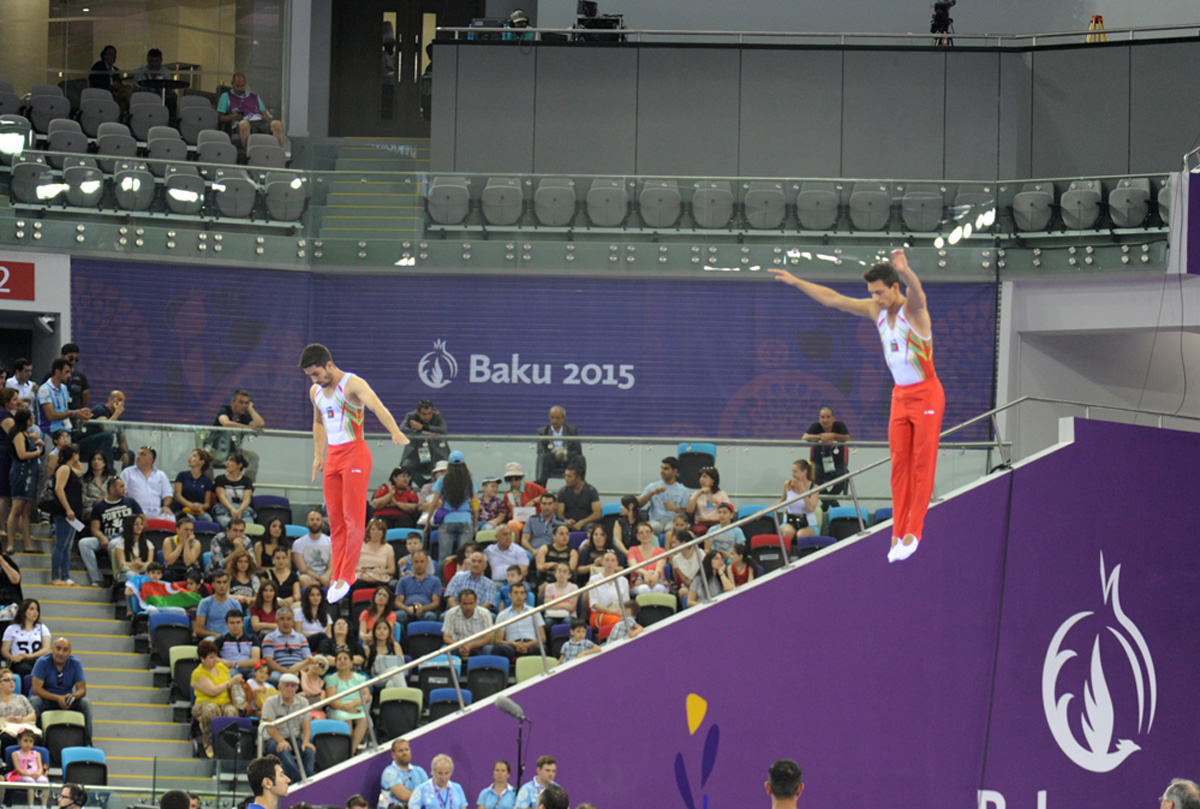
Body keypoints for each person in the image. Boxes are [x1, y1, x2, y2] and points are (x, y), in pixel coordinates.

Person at [771, 250, 942, 561]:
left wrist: (905, 271)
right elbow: (833, 299)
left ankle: (913, 532)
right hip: (901, 396)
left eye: (879, 291)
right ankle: (896, 532)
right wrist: (797, 282)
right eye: (871, 293)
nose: (874, 298)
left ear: (894, 287)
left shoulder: (913, 311)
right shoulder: (875, 311)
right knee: (899, 467)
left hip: (927, 394)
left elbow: (917, 292)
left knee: (921, 464)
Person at [300, 343, 407, 604]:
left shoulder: (352, 384)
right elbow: (318, 421)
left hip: (355, 453)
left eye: (315, 374)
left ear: (328, 365)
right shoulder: (316, 391)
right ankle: (338, 574)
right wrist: (318, 454)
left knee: (353, 517)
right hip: (334, 457)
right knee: (335, 521)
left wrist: (394, 430)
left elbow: (377, 406)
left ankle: (346, 577)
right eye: (309, 376)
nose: (313, 380)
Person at [29, 637, 92, 745]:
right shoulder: (42, 662)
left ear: (69, 652)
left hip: (66, 699)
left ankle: (87, 743)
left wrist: (72, 697)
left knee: (85, 703)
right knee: (35, 701)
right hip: (46, 700)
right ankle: (37, 741)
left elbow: (82, 690)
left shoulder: (75, 663)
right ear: (52, 649)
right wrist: (58, 698)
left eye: (65, 650)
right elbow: (36, 690)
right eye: (58, 649)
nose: (60, 653)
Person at [81, 476, 141, 587]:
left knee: (113, 544)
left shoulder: (130, 502)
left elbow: (143, 521)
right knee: (84, 543)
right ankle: (97, 579)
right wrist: (102, 537)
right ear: (112, 489)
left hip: (124, 536)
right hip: (107, 536)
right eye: (121, 486)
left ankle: (118, 575)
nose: (125, 489)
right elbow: (94, 528)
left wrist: (134, 532)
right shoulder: (99, 506)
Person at [191, 639, 243, 758]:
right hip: (204, 703)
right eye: (211, 658)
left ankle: (230, 744)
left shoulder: (221, 667)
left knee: (231, 711)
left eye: (216, 657)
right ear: (202, 658)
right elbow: (212, 691)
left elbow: (230, 687)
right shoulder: (198, 673)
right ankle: (208, 741)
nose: (215, 660)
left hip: (225, 702)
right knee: (212, 709)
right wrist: (230, 682)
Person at [259, 674, 316, 782]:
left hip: (295, 739)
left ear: (297, 688)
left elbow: (306, 725)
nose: (289, 689)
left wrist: (306, 741)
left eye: (293, 686)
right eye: (286, 685)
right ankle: (299, 780)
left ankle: (309, 779)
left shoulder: (303, 702)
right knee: (283, 749)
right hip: (274, 740)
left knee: (309, 751)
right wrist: (281, 741)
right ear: (279, 686)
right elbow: (270, 726)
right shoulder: (270, 702)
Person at [427, 450, 476, 564]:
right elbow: (475, 502)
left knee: (443, 558)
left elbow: (434, 502)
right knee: (465, 558)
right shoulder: (469, 480)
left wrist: (428, 520)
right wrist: (475, 522)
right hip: (465, 520)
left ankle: (443, 582)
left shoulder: (443, 479)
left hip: (447, 521)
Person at [7, 408, 44, 554]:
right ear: (27, 420)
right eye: (31, 418)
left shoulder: (27, 434)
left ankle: (28, 544)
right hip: (21, 472)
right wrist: (38, 452)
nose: (33, 420)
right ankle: (10, 543)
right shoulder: (18, 435)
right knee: (17, 508)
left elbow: (31, 440)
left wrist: (35, 440)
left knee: (27, 511)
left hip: (31, 471)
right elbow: (22, 454)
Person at [217, 74, 285, 148]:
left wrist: (270, 123)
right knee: (244, 124)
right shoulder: (226, 96)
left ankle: (278, 152)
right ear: (232, 84)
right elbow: (220, 117)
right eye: (237, 86)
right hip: (244, 122)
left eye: (242, 86)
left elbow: (264, 114)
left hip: (259, 121)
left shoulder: (255, 97)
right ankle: (249, 154)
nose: (240, 88)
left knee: (277, 124)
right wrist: (232, 116)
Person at [802, 407, 851, 511]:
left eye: (828, 417)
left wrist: (832, 435)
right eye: (823, 417)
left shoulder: (839, 426)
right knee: (814, 480)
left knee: (843, 479)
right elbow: (805, 437)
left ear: (834, 419)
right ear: (819, 419)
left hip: (837, 463)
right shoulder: (816, 426)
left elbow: (847, 438)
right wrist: (821, 437)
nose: (825, 420)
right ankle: (833, 504)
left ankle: (825, 505)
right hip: (818, 463)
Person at [49, 444, 84, 587]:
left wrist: (75, 459)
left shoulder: (70, 469)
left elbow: (81, 471)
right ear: (74, 454)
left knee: (67, 547)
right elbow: (59, 489)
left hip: (71, 513)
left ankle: (66, 576)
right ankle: (55, 577)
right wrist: (68, 509)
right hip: (64, 512)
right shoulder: (64, 468)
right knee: (61, 545)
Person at [323, 650, 370, 750]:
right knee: (346, 720)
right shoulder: (331, 679)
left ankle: (351, 750)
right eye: (339, 659)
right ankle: (347, 750)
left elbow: (366, 696)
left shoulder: (360, 678)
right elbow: (331, 700)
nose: (342, 661)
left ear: (351, 662)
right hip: (338, 708)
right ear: (335, 664)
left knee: (365, 720)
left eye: (345, 659)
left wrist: (352, 704)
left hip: (356, 707)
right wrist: (345, 708)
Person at [485, 582, 545, 659]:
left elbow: (542, 638)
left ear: (525, 595)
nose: (519, 596)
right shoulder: (502, 615)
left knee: (540, 648)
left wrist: (527, 645)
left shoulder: (534, 612)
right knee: (499, 649)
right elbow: (498, 640)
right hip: (511, 646)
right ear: (510, 595)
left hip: (531, 644)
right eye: (516, 593)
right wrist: (514, 644)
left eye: (522, 593)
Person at [399, 399, 449, 486]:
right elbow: (402, 429)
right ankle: (424, 486)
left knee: (439, 468)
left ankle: (434, 488)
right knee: (406, 466)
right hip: (415, 452)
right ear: (418, 413)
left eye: (430, 413)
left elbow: (443, 430)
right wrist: (423, 432)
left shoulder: (438, 415)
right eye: (424, 414)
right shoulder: (411, 416)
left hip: (436, 451)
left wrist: (422, 427)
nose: (427, 417)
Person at [210, 388, 266, 465]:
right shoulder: (225, 410)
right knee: (205, 457)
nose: (244, 406)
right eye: (241, 402)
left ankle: (246, 478)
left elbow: (260, 424)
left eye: (246, 403)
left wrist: (251, 409)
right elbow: (226, 423)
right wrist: (247, 427)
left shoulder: (245, 417)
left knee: (253, 457)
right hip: (215, 449)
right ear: (232, 403)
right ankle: (208, 478)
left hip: (234, 452)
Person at [38, 358, 90, 438]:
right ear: (58, 372)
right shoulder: (45, 390)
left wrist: (79, 413)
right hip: (50, 432)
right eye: (67, 372)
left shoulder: (64, 388)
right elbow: (51, 416)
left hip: (66, 431)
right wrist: (73, 413)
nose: (69, 375)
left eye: (70, 372)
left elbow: (64, 410)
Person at [120, 446, 174, 523]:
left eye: (142, 455)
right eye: (138, 454)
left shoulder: (161, 475)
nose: (138, 456)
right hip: (134, 512)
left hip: (156, 511)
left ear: (150, 460)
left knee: (171, 519)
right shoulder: (127, 473)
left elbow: (168, 494)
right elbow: (121, 492)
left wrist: (166, 506)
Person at [637, 457, 691, 534]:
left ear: (675, 471)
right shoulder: (652, 486)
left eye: (666, 469)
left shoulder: (683, 491)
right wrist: (652, 493)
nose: (662, 471)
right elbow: (638, 504)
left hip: (673, 521)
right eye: (662, 468)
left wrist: (675, 509)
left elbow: (686, 513)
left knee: (671, 529)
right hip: (655, 520)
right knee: (655, 528)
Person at [536, 407, 584, 487]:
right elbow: (540, 451)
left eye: (557, 418)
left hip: (568, 459)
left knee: (580, 459)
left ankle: (581, 487)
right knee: (543, 458)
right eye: (552, 418)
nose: (554, 421)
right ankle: (541, 488)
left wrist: (564, 454)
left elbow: (578, 451)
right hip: (551, 460)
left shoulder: (572, 430)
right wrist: (555, 454)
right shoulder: (542, 432)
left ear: (563, 418)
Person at [261, 610, 313, 685]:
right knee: (273, 677)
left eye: (289, 619)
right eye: (282, 619)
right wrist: (287, 672)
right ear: (277, 621)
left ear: (293, 622)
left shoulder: (301, 637)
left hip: (299, 670)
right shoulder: (269, 638)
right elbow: (269, 661)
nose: (285, 622)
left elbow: (308, 660)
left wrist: (297, 671)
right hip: (279, 671)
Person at [2, 599, 49, 679]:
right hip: (19, 662)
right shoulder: (12, 628)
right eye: (31, 609)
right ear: (24, 611)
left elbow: (46, 649)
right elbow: (4, 650)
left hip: (37, 660)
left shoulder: (42, 628)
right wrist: (13, 658)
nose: (35, 612)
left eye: (37, 609)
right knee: (25, 670)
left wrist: (29, 656)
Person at [393, 550, 442, 628]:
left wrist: (423, 608)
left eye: (422, 562)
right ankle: (403, 640)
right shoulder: (403, 580)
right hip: (408, 609)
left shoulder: (435, 580)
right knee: (396, 616)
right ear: (412, 563)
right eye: (416, 562)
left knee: (431, 616)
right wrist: (406, 608)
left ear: (427, 563)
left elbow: (436, 603)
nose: (419, 565)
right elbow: (398, 601)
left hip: (426, 610)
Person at [441, 590, 493, 658]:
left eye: (471, 603)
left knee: (488, 649)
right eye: (465, 604)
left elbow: (488, 638)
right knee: (444, 650)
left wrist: (471, 645)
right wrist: (459, 645)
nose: (468, 607)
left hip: (478, 646)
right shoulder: (451, 613)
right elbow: (447, 637)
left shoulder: (485, 614)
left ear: (476, 602)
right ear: (459, 603)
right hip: (456, 645)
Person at [378, 738, 428, 809]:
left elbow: (429, 793)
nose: (404, 753)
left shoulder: (419, 771)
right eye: (400, 751)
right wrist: (420, 793)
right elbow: (404, 796)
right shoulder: (389, 773)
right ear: (393, 755)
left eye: (406, 750)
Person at [587, 551, 629, 631]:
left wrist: (622, 613)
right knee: (619, 622)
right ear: (602, 562)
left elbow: (626, 602)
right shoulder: (594, 579)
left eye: (612, 560)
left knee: (630, 622)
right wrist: (611, 612)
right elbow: (593, 604)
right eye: (606, 560)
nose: (609, 563)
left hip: (618, 612)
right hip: (598, 614)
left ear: (617, 563)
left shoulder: (623, 580)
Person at [780, 461, 819, 546]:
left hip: (808, 523)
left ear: (804, 472)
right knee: (787, 531)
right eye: (792, 471)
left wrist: (802, 490)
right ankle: (785, 556)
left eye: (795, 472)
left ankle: (803, 556)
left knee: (801, 534)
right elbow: (782, 500)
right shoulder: (788, 484)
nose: (793, 475)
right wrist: (764, 511)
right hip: (789, 521)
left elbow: (811, 509)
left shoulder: (814, 487)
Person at [501, 462, 545, 537]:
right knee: (511, 524)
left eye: (516, 479)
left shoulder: (531, 486)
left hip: (536, 520)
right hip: (520, 523)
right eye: (510, 480)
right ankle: (515, 547)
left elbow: (549, 495)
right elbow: (509, 516)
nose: (513, 483)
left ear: (520, 478)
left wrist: (533, 501)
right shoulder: (508, 494)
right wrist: (512, 510)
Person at [212, 452, 255, 529]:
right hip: (224, 510)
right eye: (227, 460)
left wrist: (239, 510)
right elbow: (221, 497)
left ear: (239, 465)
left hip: (242, 511)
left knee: (249, 526)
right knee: (228, 524)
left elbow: (246, 500)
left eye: (231, 460)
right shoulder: (220, 479)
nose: (227, 463)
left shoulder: (247, 481)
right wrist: (232, 509)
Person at [292, 509, 332, 590]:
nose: (315, 522)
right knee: (303, 579)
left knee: (338, 583)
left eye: (318, 520)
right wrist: (320, 578)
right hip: (309, 577)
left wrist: (325, 577)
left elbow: (332, 567)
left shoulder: (330, 542)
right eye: (312, 520)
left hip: (326, 576)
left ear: (322, 522)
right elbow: (303, 570)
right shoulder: (298, 543)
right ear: (307, 522)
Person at [534, 525, 577, 599]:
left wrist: (556, 566)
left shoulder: (573, 552)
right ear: (553, 536)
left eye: (567, 534)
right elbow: (539, 567)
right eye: (561, 534)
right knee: (544, 586)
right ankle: (541, 609)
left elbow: (571, 569)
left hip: (564, 579)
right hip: (547, 578)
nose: (565, 537)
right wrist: (546, 566)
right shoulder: (545, 548)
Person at [627, 522, 668, 596]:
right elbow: (633, 566)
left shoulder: (661, 551)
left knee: (658, 588)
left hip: (658, 581)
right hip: (638, 583)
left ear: (652, 534)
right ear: (637, 536)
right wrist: (645, 574)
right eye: (641, 533)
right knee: (644, 589)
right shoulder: (632, 550)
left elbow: (660, 567)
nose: (645, 535)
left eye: (647, 532)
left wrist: (655, 576)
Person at [556, 465, 601, 532]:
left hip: (586, 523)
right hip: (569, 523)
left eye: (569, 476)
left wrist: (582, 523)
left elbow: (597, 514)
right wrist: (566, 521)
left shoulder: (591, 491)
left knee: (592, 529)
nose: (566, 478)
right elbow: (559, 514)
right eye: (565, 475)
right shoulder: (562, 492)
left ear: (578, 478)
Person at [174, 449, 216, 521]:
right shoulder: (182, 475)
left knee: (207, 519)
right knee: (190, 520)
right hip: (183, 509)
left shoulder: (207, 481)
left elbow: (207, 504)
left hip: (200, 511)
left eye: (194, 456)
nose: (190, 457)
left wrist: (200, 506)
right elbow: (177, 496)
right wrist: (191, 505)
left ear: (201, 462)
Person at [0, 670, 36, 752]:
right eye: (7, 680)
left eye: (13, 680)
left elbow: (33, 715)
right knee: (6, 738)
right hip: (4, 729)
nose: (11, 682)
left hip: (22, 727)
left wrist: (22, 720)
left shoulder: (21, 698)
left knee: (34, 737)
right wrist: (7, 720)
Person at [195, 572, 239, 639]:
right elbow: (199, 630)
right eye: (219, 582)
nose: (222, 585)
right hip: (212, 637)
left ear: (228, 584)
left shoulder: (235, 603)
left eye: (224, 582)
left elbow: (240, 626)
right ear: (213, 585)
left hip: (231, 638)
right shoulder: (205, 603)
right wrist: (218, 636)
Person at [114, 513, 153, 586]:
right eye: (136, 524)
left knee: (150, 577)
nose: (139, 527)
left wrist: (141, 564)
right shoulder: (121, 543)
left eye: (141, 524)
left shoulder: (148, 543)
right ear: (130, 526)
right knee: (133, 577)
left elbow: (150, 564)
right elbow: (122, 566)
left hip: (142, 573)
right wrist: (135, 566)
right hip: (126, 573)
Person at [9, 727, 48, 799]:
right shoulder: (15, 754)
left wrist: (38, 774)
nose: (28, 744)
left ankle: (44, 805)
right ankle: (31, 805)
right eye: (25, 741)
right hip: (22, 775)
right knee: (30, 781)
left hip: (35, 775)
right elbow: (17, 769)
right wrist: (28, 774)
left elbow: (40, 767)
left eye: (31, 741)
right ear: (19, 741)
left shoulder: (37, 754)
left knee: (44, 781)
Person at [162, 516, 202, 582]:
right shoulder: (168, 541)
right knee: (167, 574)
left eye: (191, 530)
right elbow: (169, 561)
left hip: (189, 570)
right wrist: (181, 544)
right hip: (173, 569)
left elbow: (188, 562)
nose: (189, 533)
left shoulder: (196, 543)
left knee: (194, 576)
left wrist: (186, 544)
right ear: (177, 530)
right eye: (186, 530)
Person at [541, 563, 578, 628]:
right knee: (548, 622)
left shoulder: (573, 587)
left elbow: (571, 608)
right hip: (551, 615)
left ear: (569, 575)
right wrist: (565, 605)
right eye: (559, 571)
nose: (561, 574)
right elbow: (546, 606)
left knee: (567, 622)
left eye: (565, 572)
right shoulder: (549, 587)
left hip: (568, 616)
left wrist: (553, 603)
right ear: (555, 574)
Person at [79, 450, 113, 518]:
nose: (96, 462)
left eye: (99, 459)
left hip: (108, 507)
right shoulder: (84, 479)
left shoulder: (111, 479)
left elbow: (115, 495)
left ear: (104, 463)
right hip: (90, 508)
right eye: (94, 459)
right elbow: (82, 499)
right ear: (90, 463)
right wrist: (96, 501)